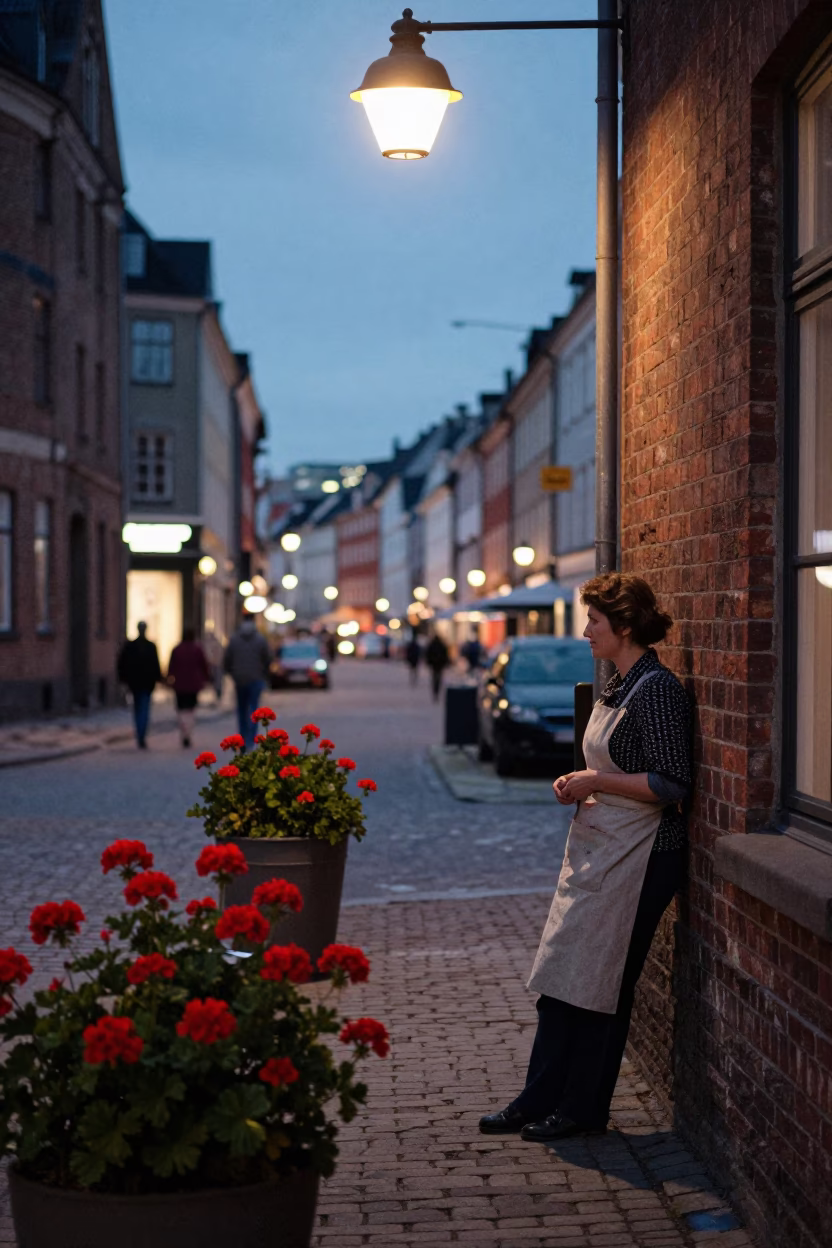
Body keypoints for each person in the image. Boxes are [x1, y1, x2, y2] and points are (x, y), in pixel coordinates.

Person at [479, 572, 692, 1141]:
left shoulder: (658, 689)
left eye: (594, 621)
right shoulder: (620, 685)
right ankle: (538, 1096)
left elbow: (673, 783)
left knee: (602, 984)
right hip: (605, 851)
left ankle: (582, 1109)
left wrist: (596, 777)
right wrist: (585, 781)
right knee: (564, 975)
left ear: (623, 625)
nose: (586, 631)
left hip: (645, 857)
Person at [223, 612, 271, 750]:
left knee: (241, 709)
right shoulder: (260, 639)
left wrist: (231, 672)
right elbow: (267, 658)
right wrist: (264, 673)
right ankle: (251, 740)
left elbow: (227, 658)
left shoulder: (234, 639)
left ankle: (242, 738)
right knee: (254, 710)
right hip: (256, 678)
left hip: (239, 678)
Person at [117, 621, 162, 750]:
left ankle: (140, 733)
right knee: (144, 709)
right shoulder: (150, 646)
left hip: (135, 683)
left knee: (137, 709)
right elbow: (155, 665)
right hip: (146, 683)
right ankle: (141, 734)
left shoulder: (130, 646)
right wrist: (157, 679)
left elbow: (122, 664)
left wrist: (123, 679)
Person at [167, 628, 211, 748]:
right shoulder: (197, 649)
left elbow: (171, 667)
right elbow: (204, 665)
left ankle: (184, 730)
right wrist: (206, 679)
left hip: (179, 684)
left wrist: (169, 679)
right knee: (191, 709)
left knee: (181, 709)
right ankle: (188, 732)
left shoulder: (176, 649)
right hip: (193, 684)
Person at [425, 631, 450, 702]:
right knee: (438, 678)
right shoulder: (442, 645)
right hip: (440, 665)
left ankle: (435, 691)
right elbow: (445, 655)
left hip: (434, 664)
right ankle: (437, 690)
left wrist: (429, 662)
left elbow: (428, 654)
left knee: (434, 677)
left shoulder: (431, 644)